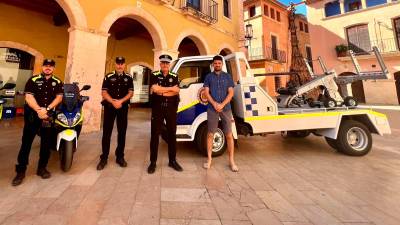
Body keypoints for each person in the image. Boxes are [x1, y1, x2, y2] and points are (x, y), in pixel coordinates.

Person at [12, 59, 64, 186]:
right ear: (42, 67)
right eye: (46, 65)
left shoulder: (57, 82)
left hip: (47, 116)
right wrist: (38, 110)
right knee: (26, 143)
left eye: (51, 66)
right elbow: (29, 97)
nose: (48, 68)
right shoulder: (33, 80)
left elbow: (59, 97)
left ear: (54, 68)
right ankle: (21, 171)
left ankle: (42, 168)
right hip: (32, 116)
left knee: (46, 143)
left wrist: (46, 109)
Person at [147, 54, 183, 174]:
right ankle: (153, 162)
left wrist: (162, 91)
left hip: (171, 109)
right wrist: (169, 89)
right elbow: (154, 89)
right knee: (155, 135)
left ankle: (172, 161)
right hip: (157, 109)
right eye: (163, 63)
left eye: (167, 63)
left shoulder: (175, 76)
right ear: (160, 64)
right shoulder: (154, 75)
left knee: (172, 134)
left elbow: (176, 91)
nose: (165, 65)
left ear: (169, 65)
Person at [97, 57, 133, 170]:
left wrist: (120, 101)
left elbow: (131, 92)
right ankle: (104, 158)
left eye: (122, 63)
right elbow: (104, 92)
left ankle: (120, 157)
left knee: (122, 133)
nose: (120, 65)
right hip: (109, 107)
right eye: (118, 63)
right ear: (115, 64)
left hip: (123, 107)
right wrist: (113, 101)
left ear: (125, 65)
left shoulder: (129, 77)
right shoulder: (108, 76)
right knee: (106, 133)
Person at [203, 55, 238, 172]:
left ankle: (232, 161)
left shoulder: (228, 77)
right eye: (215, 63)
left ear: (222, 64)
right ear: (213, 65)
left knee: (229, 135)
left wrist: (221, 105)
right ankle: (209, 160)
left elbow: (231, 93)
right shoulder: (208, 77)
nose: (217, 65)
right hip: (212, 109)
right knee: (210, 134)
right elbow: (206, 93)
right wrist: (215, 104)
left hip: (226, 108)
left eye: (219, 63)